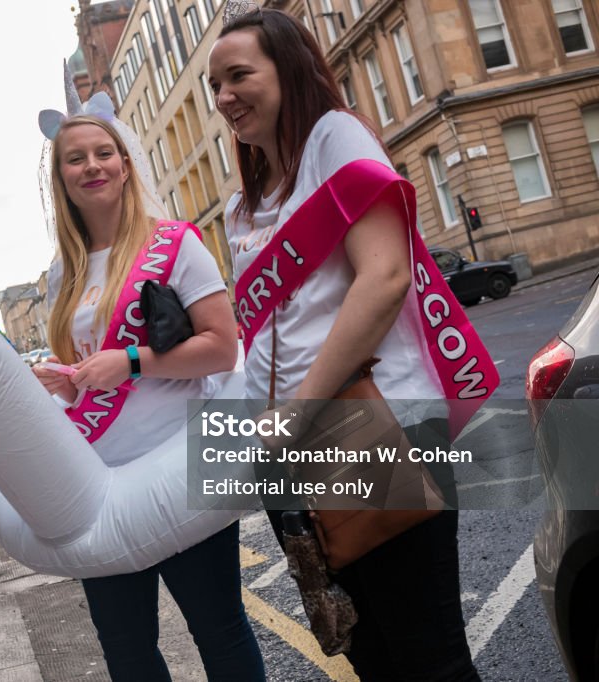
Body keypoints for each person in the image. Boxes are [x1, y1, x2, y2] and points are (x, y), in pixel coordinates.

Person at [209, 8, 485, 680]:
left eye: (239, 75)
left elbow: (385, 277)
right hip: (299, 451)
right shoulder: (243, 210)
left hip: (371, 424)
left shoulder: (336, 137)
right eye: (215, 86)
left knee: (429, 660)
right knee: (374, 660)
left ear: (290, 69)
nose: (224, 97)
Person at [31, 103, 265, 680]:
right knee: (125, 649)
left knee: (219, 629)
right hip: (102, 486)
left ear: (126, 163)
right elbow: (92, 371)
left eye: (103, 153)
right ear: (60, 178)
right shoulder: (65, 274)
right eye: (75, 158)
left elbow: (222, 347)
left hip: (180, 466)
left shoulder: (174, 244)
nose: (92, 166)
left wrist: (133, 360)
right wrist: (67, 381)